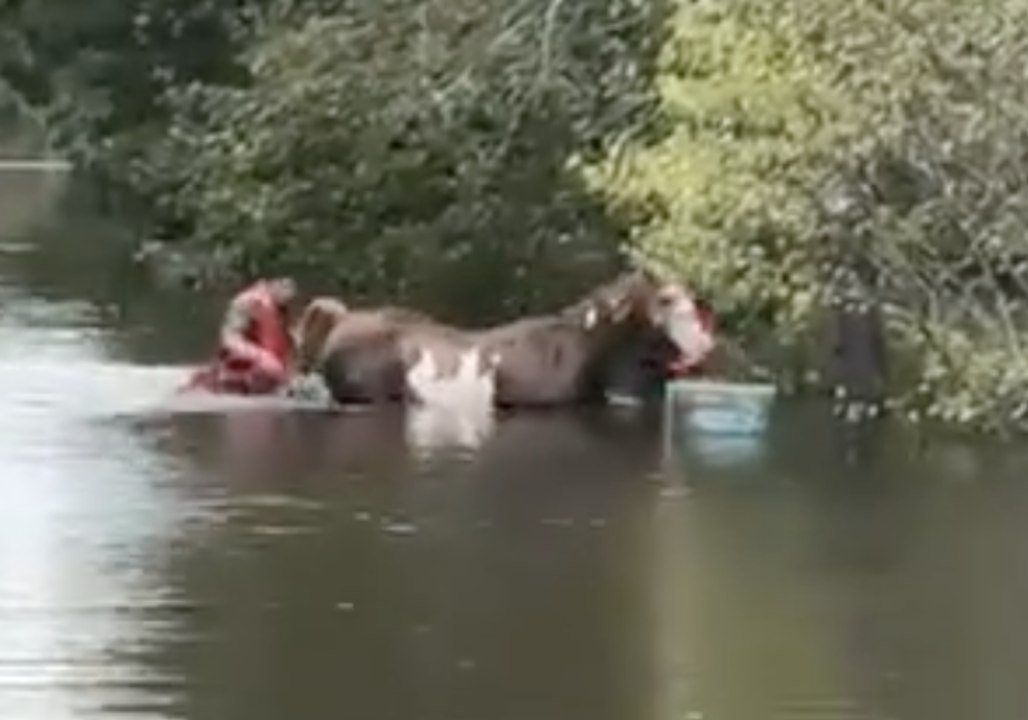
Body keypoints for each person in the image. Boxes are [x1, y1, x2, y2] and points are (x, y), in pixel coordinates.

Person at [183, 277, 300, 395]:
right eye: (283, 284)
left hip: (273, 371)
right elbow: (230, 338)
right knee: (270, 369)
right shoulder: (247, 302)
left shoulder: (282, 308)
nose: (288, 290)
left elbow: (287, 342)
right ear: (272, 283)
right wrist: (260, 356)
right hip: (243, 365)